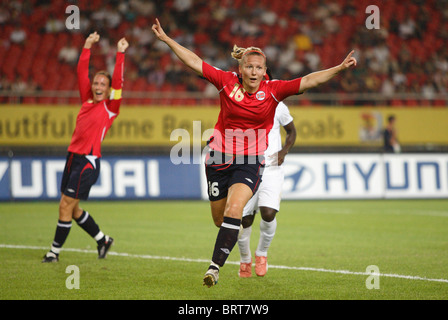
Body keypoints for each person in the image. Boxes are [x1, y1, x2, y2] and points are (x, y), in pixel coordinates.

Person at [151, 18, 357, 287]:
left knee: (236, 209)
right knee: (220, 219)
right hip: (218, 158)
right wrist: (167, 40)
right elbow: (194, 61)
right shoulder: (226, 82)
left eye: (259, 67)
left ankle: (215, 268)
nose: (253, 71)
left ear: (264, 71)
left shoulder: (274, 92)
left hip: (249, 161)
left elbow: (309, 80)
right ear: (240, 68)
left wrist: (340, 68)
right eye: (249, 66)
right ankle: (234, 250)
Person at [42, 32, 129, 263]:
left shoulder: (111, 108)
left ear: (109, 90)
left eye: (103, 84)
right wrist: (87, 46)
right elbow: (82, 71)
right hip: (73, 157)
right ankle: (103, 239)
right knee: (73, 209)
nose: (98, 86)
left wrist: (120, 54)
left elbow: (119, 82)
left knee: (64, 206)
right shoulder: (86, 100)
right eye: (96, 83)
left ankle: (54, 252)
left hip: (88, 161)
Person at [238, 98, 296, 278]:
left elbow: (291, 131)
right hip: (246, 166)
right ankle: (245, 259)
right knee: (244, 219)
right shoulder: (240, 103)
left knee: (268, 213)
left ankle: (262, 254)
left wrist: (284, 150)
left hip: (271, 169)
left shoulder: (278, 106)